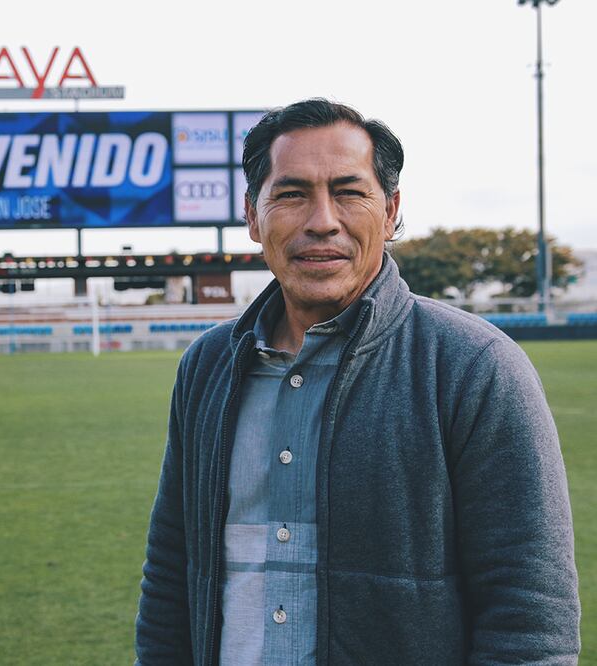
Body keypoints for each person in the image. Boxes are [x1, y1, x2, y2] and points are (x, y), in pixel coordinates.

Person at [135, 99, 580, 665]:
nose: (322, 220)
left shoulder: (476, 367)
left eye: (349, 192)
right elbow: (172, 574)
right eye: (292, 194)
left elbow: (529, 615)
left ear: (391, 210)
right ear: (253, 215)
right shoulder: (208, 366)